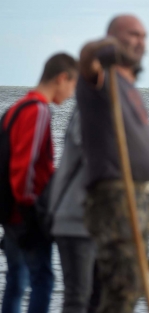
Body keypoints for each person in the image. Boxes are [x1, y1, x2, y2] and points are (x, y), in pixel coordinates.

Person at [77, 15, 149, 313]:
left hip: (139, 196)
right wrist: (100, 47)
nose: (140, 41)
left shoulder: (129, 86)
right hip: (115, 197)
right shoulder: (100, 77)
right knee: (123, 286)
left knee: (130, 283)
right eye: (133, 34)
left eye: (144, 36)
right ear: (113, 37)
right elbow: (86, 59)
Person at [1, 53, 78, 313]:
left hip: (8, 212)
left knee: (16, 282)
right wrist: (31, 210)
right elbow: (25, 167)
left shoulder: (15, 108)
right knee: (43, 281)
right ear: (62, 78)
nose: (70, 94)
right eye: (72, 85)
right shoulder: (39, 110)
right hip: (25, 216)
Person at [48, 108, 100, 313]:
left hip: (99, 222)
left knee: (97, 295)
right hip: (76, 219)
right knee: (78, 297)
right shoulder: (90, 112)